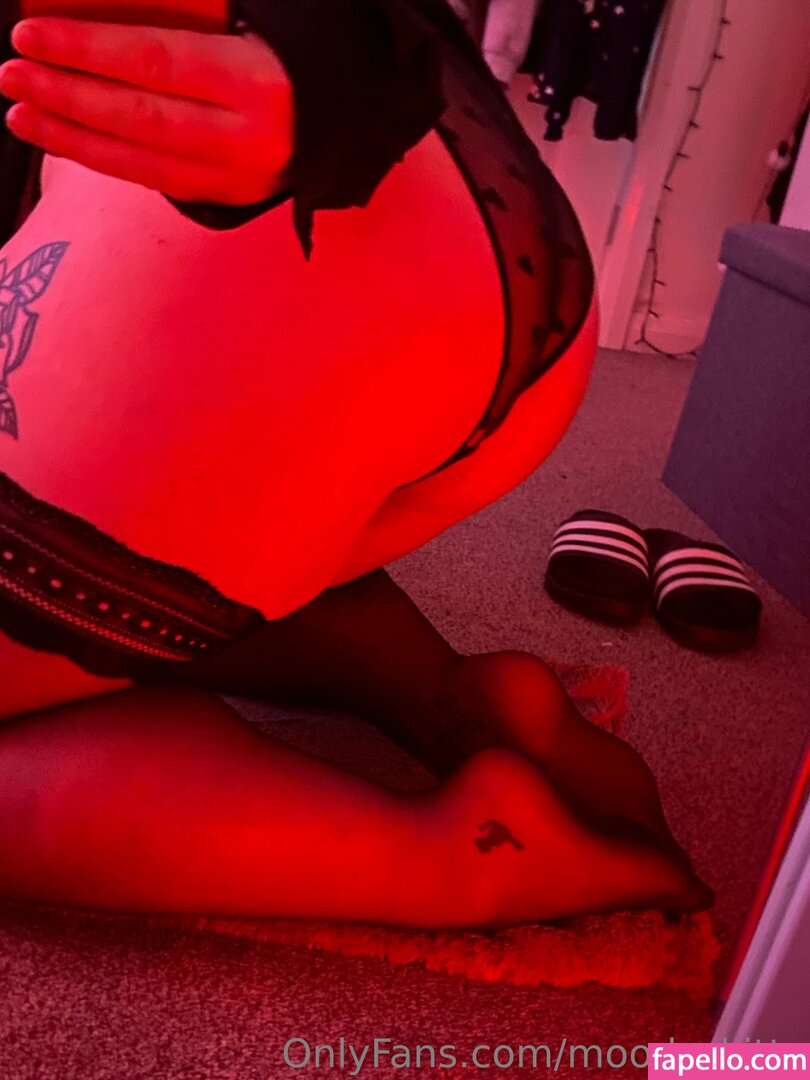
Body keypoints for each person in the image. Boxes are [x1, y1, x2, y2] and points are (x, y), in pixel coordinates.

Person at [0, 0, 712, 927]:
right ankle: (433, 695)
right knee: (154, 557)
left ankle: (441, 857)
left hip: (217, 230)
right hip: (479, 215)